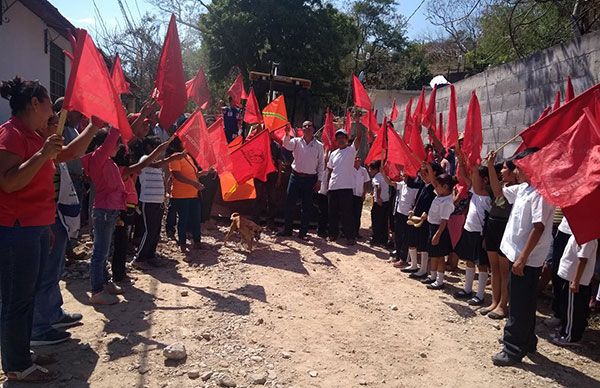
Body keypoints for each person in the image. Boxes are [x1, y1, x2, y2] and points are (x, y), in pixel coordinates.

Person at [0, 77, 99, 382]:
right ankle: (16, 367)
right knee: (16, 299)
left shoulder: (35, 133)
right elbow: (8, 181)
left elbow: (66, 153)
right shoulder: (11, 134)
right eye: (47, 103)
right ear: (35, 104)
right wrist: (42, 154)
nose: (51, 110)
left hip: (36, 227)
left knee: (26, 296)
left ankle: (22, 353)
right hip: (17, 230)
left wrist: (93, 129)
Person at [83, 127, 171, 305]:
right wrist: (117, 124)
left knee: (106, 250)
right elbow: (112, 140)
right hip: (104, 210)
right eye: (116, 144)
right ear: (104, 146)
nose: (119, 147)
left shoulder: (109, 161)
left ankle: (105, 282)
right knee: (100, 251)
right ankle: (97, 290)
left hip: (111, 210)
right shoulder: (98, 159)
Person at [492, 148, 555, 367]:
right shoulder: (525, 189)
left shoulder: (540, 193)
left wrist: (522, 258)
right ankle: (527, 340)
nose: (517, 170)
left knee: (519, 304)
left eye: (520, 166)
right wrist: (491, 167)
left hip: (525, 260)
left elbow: (538, 228)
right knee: (525, 302)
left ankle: (513, 348)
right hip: (518, 255)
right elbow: (499, 193)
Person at [133, 136, 185, 268]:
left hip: (158, 202)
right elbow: (155, 164)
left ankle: (150, 255)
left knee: (156, 231)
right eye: (156, 147)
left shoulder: (159, 165)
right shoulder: (144, 159)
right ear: (150, 147)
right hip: (148, 201)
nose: (160, 150)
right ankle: (139, 259)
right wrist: (172, 158)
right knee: (149, 230)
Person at [482, 153, 518, 319]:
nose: (502, 171)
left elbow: (497, 193)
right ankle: (494, 302)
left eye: (504, 168)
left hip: (505, 227)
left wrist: (490, 165)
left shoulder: (515, 189)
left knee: (504, 271)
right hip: (493, 225)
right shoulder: (503, 185)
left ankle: (504, 305)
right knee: (494, 268)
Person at [551, 219, 597, 346]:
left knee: (573, 309)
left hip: (575, 280)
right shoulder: (578, 232)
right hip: (569, 277)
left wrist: (575, 281)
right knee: (567, 306)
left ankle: (571, 336)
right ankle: (564, 329)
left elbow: (583, 260)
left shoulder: (588, 237)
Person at [453, 163, 492, 306]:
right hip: (469, 230)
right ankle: (467, 289)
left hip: (480, 234)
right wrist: (461, 160)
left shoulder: (488, 196)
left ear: (485, 180)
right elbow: (464, 175)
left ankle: (480, 295)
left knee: (481, 264)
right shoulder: (474, 191)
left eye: (475, 176)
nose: (472, 179)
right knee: (469, 261)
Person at [279, 121, 324, 239]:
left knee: (307, 206)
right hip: (295, 177)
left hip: (310, 179)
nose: (307, 128)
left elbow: (321, 164)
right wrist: (287, 133)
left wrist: (319, 180)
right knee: (289, 203)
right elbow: (286, 144)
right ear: (302, 129)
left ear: (314, 129)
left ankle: (302, 233)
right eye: (305, 126)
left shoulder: (319, 146)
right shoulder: (296, 141)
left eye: (310, 126)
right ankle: (287, 230)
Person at [406, 163, 444, 279]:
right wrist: (413, 209)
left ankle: (423, 269)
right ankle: (413, 264)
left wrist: (426, 214)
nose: (422, 175)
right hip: (416, 216)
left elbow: (433, 203)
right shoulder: (423, 184)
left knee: (423, 244)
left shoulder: (435, 188)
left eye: (425, 172)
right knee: (412, 240)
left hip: (426, 219)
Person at [421, 165, 456, 290]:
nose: (436, 187)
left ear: (445, 187)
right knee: (434, 255)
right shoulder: (440, 195)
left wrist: (437, 235)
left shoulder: (447, 201)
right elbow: (434, 182)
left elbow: (444, 221)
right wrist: (429, 168)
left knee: (440, 256)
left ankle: (440, 280)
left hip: (439, 230)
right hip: (432, 227)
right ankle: (433, 276)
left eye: (439, 186)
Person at [327, 122, 363, 245]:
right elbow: (330, 169)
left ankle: (350, 237)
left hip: (346, 187)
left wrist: (357, 122)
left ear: (347, 139)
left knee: (347, 213)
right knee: (332, 213)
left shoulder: (351, 150)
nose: (340, 140)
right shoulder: (333, 153)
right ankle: (333, 234)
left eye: (343, 137)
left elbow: (359, 138)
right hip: (333, 187)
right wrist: (327, 184)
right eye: (338, 138)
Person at [168, 144, 206, 253]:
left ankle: (197, 242)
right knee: (183, 220)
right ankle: (182, 243)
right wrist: (194, 183)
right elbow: (177, 175)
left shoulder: (188, 157)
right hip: (181, 195)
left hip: (193, 194)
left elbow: (193, 175)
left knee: (196, 219)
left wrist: (203, 173)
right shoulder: (175, 157)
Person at [387, 174, 419, 266]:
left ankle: (403, 258)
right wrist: (384, 173)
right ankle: (397, 256)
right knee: (398, 235)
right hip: (399, 213)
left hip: (407, 216)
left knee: (405, 237)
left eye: (405, 176)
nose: (403, 178)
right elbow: (390, 182)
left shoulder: (416, 188)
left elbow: (416, 202)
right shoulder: (402, 184)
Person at [368, 160, 389, 247]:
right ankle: (383, 240)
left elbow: (378, 186)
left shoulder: (376, 177)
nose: (369, 171)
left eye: (370, 169)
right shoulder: (385, 176)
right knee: (384, 222)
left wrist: (379, 197)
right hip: (386, 201)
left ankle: (376, 239)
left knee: (376, 221)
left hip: (379, 202)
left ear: (375, 170)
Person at [352, 156, 370, 239]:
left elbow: (366, 182)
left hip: (359, 195)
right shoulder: (350, 169)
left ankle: (356, 232)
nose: (357, 161)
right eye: (356, 159)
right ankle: (347, 232)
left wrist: (364, 193)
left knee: (357, 214)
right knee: (349, 214)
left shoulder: (363, 170)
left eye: (359, 159)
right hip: (350, 195)